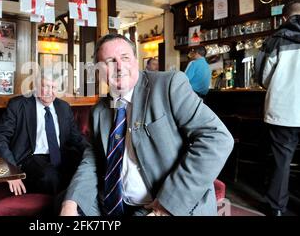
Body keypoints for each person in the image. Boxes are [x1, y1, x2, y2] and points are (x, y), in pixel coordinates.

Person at [60, 33, 233, 216]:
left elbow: (217, 138)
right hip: (115, 203)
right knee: (63, 204)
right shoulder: (99, 111)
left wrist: (167, 205)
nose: (119, 66)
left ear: (135, 61)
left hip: (163, 204)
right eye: (110, 61)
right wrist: (72, 201)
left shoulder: (169, 85)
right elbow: (92, 159)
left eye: (125, 57)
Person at [0, 70, 86, 196]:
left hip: (61, 156)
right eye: (45, 86)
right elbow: (0, 137)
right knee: (50, 176)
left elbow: (76, 138)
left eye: (53, 87)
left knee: (85, 171)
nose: (49, 92)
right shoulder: (18, 105)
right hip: (30, 157)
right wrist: (12, 170)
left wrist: (97, 154)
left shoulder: (63, 107)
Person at [255, 0, 300, 216]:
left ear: (284, 17)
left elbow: (262, 77)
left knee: (282, 161)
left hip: (285, 111)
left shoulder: (275, 39)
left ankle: (276, 208)